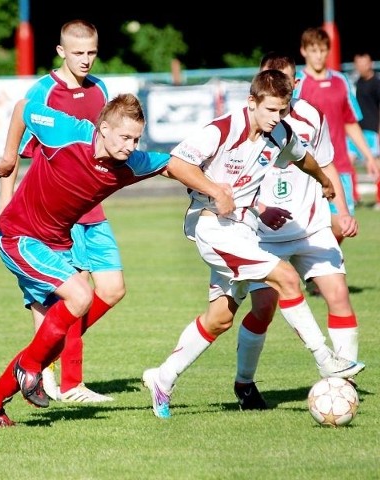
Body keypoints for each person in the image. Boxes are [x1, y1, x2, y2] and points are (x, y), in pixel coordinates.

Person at [141, 69, 365, 420]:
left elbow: (302, 155)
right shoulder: (222, 129)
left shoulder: (280, 132)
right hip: (213, 228)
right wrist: (216, 191)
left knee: (220, 319)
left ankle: (162, 378)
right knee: (287, 279)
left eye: (284, 109)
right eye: (272, 110)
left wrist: (323, 179)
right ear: (252, 102)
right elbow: (175, 165)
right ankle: (327, 359)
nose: (279, 117)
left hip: (245, 231)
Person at [0, 93, 171, 427]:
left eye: (136, 139)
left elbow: (171, 163)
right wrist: (8, 161)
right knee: (77, 300)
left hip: (60, 238)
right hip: (24, 236)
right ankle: (37, 371)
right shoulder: (59, 111)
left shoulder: (103, 99)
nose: (131, 145)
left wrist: (213, 186)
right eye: (126, 137)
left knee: (60, 332)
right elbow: (24, 109)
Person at [0, 19, 117, 403]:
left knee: (112, 290)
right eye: (78, 53)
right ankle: (68, 382)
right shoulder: (43, 93)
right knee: (73, 292)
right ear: (61, 52)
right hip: (55, 212)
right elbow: (12, 155)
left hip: (93, 208)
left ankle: (42, 355)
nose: (86, 60)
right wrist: (4, 206)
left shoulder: (101, 90)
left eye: (92, 52)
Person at [233, 53, 361, 410]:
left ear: (294, 84)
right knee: (263, 309)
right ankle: (244, 384)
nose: (279, 87)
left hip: (311, 225)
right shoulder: (247, 123)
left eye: (286, 82)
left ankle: (342, 383)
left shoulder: (310, 118)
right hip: (263, 232)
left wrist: (342, 211)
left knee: (338, 294)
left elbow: (325, 164)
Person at [295, 27, 380, 243]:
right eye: (313, 50)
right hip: (309, 169)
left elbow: (350, 123)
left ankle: (319, 276)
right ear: (304, 51)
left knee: (343, 227)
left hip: (340, 166)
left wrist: (369, 157)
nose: (318, 55)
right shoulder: (298, 84)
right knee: (308, 229)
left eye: (323, 50)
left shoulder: (340, 81)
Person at [347, 52, 380, 210]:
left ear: (370, 63)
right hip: (357, 131)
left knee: (375, 165)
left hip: (372, 131)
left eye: (363, 63)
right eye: (357, 63)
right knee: (347, 162)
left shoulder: (377, 83)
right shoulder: (357, 82)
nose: (360, 66)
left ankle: (379, 199)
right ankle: (353, 198)